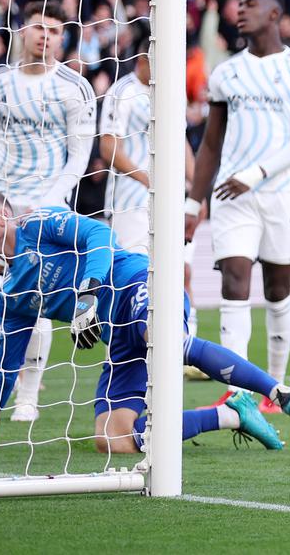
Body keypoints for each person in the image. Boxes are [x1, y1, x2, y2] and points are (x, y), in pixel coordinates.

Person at [0, 193, 290, 453]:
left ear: (2, 216)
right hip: (117, 335)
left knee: (163, 338)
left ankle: (277, 391)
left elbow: (101, 234)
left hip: (138, 282)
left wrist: (88, 294)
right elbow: (6, 367)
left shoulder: (38, 223)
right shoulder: (13, 296)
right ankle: (232, 415)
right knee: (112, 440)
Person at [185, 0, 290, 414]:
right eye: (238, 5)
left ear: (275, 13)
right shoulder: (227, 72)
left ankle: (276, 387)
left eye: (250, 4)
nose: (240, 11)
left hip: (282, 195)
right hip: (233, 195)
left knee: (278, 290)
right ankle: (239, 391)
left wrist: (257, 174)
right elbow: (210, 144)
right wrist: (193, 204)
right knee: (233, 284)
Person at [0, 1, 95, 424]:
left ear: (62, 38)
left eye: (55, 31)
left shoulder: (74, 87)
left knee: (33, 300)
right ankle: (5, 376)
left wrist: (47, 202)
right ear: (23, 32)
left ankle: (28, 395)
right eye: (39, 27)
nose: (46, 35)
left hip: (43, 208)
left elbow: (79, 158)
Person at [100, 37, 206, 377]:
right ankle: (123, 355)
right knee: (132, 276)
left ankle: (185, 349)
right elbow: (108, 148)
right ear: (145, 57)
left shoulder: (170, 92)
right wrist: (148, 180)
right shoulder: (122, 92)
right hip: (130, 202)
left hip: (172, 200)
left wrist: (196, 193)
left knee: (182, 272)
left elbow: (184, 147)